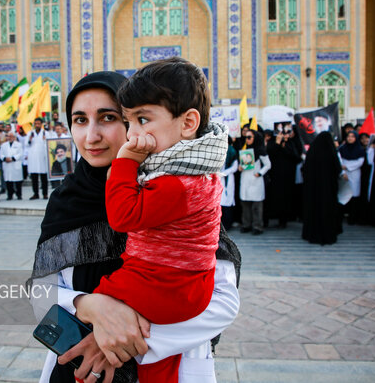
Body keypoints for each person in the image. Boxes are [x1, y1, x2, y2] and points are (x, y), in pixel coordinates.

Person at [29, 71, 241, 383]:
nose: (92, 136)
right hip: (79, 372)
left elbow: (223, 300)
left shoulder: (174, 191)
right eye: (80, 120)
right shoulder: (65, 202)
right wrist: (87, 305)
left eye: (108, 117)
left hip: (161, 366)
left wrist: (118, 343)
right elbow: (39, 294)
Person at [98, 58, 228, 382]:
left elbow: (121, 216)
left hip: (162, 286)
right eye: (129, 122)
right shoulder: (200, 172)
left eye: (143, 119)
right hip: (185, 289)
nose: (132, 134)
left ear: (187, 124)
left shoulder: (176, 183)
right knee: (157, 365)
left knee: (100, 297)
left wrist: (125, 163)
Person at [302, 132, 343, 245]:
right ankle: (328, 233)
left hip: (313, 190)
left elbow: (305, 170)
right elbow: (338, 169)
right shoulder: (331, 153)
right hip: (328, 190)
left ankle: (311, 232)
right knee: (327, 210)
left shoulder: (312, 153)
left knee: (313, 210)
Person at [266, 128, 302, 228]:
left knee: (286, 199)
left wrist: (285, 146)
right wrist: (277, 144)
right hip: (275, 177)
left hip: (287, 178)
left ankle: (283, 220)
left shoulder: (291, 144)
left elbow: (296, 157)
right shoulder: (273, 143)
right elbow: (269, 155)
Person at [238, 130, 271, 235]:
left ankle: (257, 226)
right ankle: (246, 224)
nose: (247, 139)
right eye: (246, 137)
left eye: (249, 137)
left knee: (257, 206)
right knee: (245, 204)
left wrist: (260, 173)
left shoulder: (261, 151)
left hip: (255, 180)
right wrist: (240, 167)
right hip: (245, 179)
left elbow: (268, 165)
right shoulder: (245, 149)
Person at [338, 131, 366, 224]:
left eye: (352, 137)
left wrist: (348, 166)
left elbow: (360, 162)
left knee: (354, 194)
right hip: (343, 173)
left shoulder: (359, 149)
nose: (350, 138)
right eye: (348, 136)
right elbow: (339, 159)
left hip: (354, 173)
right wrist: (343, 170)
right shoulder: (342, 148)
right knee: (343, 193)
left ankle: (352, 217)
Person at [27, 117, 50, 199]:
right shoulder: (30, 133)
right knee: (34, 178)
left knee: (44, 177)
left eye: (38, 124)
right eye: (36, 124)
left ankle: (45, 193)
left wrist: (45, 140)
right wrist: (29, 140)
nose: (37, 125)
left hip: (42, 158)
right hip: (33, 159)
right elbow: (26, 145)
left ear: (41, 124)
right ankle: (35, 193)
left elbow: (49, 145)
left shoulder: (46, 133)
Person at [220, 137, 238, 230]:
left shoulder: (232, 151)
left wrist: (224, 173)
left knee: (227, 203)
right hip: (219, 180)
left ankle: (228, 225)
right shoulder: (218, 150)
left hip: (228, 180)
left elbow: (234, 167)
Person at [0, 131, 24, 200]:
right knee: (8, 181)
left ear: (14, 137)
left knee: (18, 182)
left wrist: (12, 158)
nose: (10, 137)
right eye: (8, 136)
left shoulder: (18, 145)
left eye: (11, 136)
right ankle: (10, 195)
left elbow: (20, 153)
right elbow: (1, 154)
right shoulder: (4, 145)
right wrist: (5, 158)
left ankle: (19, 195)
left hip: (15, 164)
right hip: (7, 165)